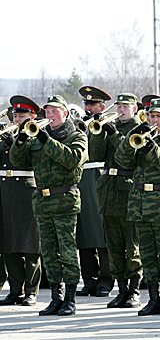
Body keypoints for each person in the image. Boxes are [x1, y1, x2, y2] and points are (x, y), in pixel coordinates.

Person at [10, 95, 88, 316]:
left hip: (65, 200)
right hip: (42, 201)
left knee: (67, 251)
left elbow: (72, 159)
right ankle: (56, 297)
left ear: (65, 113)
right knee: (49, 252)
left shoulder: (76, 135)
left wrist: (46, 140)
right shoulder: (37, 136)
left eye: (55, 111)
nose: (50, 115)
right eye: (48, 111)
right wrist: (22, 140)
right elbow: (18, 161)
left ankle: (70, 298)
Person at [115, 97, 160, 316]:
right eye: (151, 116)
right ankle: (153, 298)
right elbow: (122, 161)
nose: (154, 120)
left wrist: (152, 148)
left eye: (159, 116)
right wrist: (131, 137)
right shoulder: (140, 138)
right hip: (140, 203)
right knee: (147, 253)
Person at [89, 93, 143, 309]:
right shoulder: (110, 126)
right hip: (109, 190)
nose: (120, 110)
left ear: (135, 109)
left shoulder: (140, 129)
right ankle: (121, 289)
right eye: (118, 106)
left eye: (125, 106)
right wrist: (98, 133)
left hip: (128, 190)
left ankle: (134, 289)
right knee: (113, 245)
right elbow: (95, 155)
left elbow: (127, 154)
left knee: (132, 245)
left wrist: (112, 133)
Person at [0, 96, 41, 306]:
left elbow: (31, 158)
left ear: (32, 117)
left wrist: (15, 143)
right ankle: (15, 290)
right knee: (10, 243)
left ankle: (31, 291)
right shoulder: (8, 135)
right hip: (6, 191)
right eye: (15, 116)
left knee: (29, 243)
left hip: (26, 189)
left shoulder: (35, 135)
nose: (17, 120)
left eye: (22, 116)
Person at [75, 86, 114, 298]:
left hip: (99, 178)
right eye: (86, 104)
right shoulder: (79, 124)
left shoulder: (108, 124)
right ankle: (88, 279)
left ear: (102, 106)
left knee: (101, 233)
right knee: (84, 234)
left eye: (93, 104)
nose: (88, 107)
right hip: (82, 179)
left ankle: (106, 279)